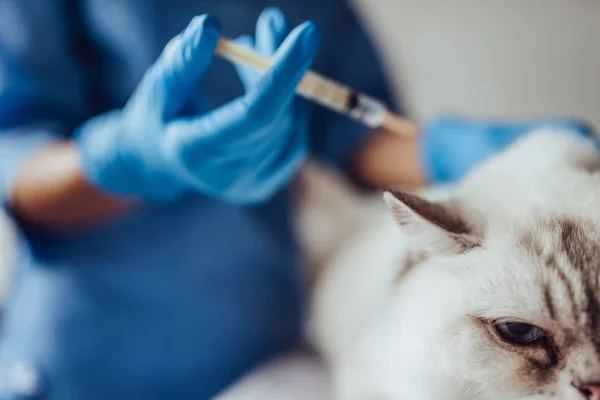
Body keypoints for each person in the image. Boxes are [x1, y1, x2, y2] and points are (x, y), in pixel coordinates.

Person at [0, 1, 591, 399]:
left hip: (266, 329)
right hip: (93, 351)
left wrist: (454, 153)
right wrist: (130, 163)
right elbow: (14, 157)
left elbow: (353, 126)